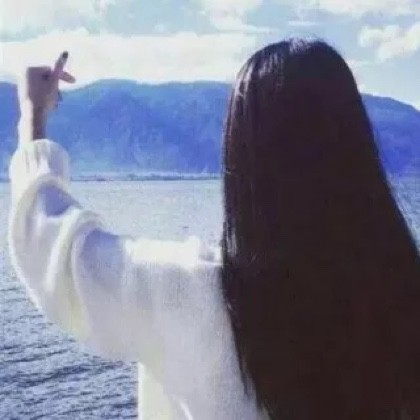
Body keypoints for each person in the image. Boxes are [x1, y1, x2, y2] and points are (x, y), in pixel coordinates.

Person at [8, 39, 420, 420]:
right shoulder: (401, 293)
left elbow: (60, 251)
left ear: (241, 155)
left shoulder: (191, 293)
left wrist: (33, 117)